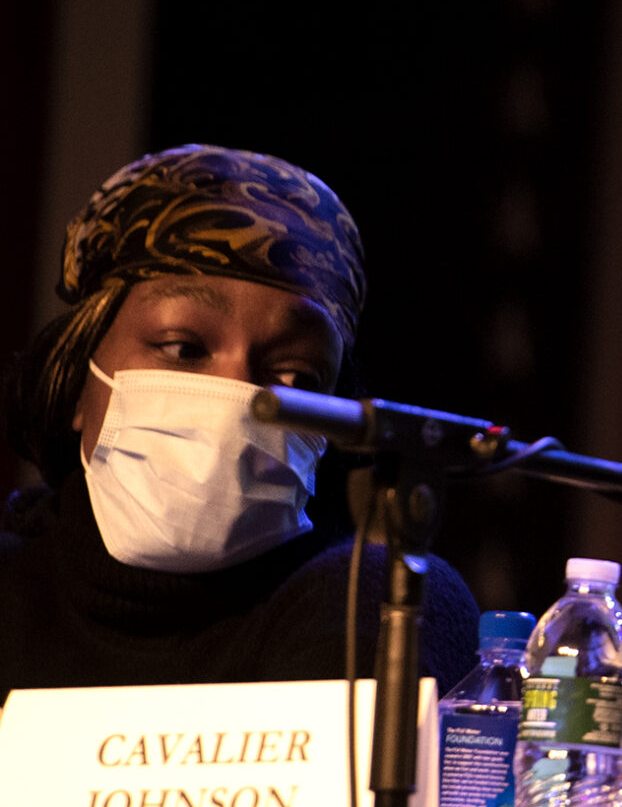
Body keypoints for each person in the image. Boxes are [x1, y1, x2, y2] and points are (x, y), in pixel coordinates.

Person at [0, 145, 477, 701]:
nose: (237, 397)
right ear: (80, 379)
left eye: (294, 375)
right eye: (183, 349)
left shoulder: (375, 601)